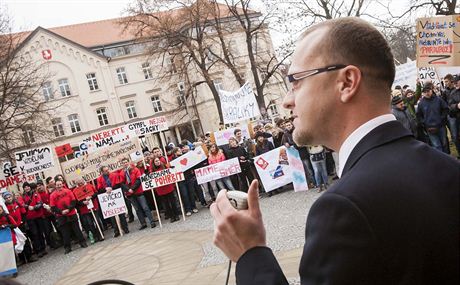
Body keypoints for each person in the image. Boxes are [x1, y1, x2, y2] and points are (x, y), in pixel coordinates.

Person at [210, 17, 459, 284]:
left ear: (347, 82)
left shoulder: (342, 208)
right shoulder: (450, 169)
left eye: (296, 81)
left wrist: (251, 255)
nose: (286, 101)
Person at [50, 180, 88, 254]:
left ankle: (82, 242)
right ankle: (67, 247)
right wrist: (61, 212)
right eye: (58, 185)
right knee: (65, 232)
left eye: (60, 184)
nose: (59, 186)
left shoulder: (68, 191)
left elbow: (73, 201)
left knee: (77, 229)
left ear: (62, 184)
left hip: (71, 213)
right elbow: (53, 206)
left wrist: (69, 209)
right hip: (61, 216)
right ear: (55, 185)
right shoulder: (52, 195)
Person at [119, 158, 156, 230]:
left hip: (138, 191)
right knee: (137, 209)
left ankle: (151, 221)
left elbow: (139, 180)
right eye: (123, 163)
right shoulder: (122, 173)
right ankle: (143, 223)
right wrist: (128, 190)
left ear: (128, 162)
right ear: (122, 164)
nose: (125, 163)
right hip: (130, 194)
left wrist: (132, 189)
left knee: (145, 207)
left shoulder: (135, 169)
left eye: (126, 162)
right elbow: (122, 183)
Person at [96, 166, 129, 237]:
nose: (107, 171)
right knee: (112, 215)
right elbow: (99, 189)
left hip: (116, 196)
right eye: (105, 170)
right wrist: (106, 190)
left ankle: (125, 228)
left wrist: (111, 188)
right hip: (108, 198)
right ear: (102, 172)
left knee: (121, 213)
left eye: (108, 170)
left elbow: (118, 184)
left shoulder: (114, 175)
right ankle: (116, 230)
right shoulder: (99, 179)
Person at [416, 82, 449, 153]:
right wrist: (424, 122)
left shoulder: (438, 99)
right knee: (436, 145)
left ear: (431, 90)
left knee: (444, 143)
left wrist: (441, 118)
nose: (427, 93)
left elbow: (445, 109)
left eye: (428, 91)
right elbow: (419, 115)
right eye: (425, 92)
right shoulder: (421, 103)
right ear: (423, 93)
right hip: (430, 128)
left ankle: (447, 159)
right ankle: (441, 160)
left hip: (441, 126)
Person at [150, 157, 180, 223]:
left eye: (158, 160)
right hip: (161, 190)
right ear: (154, 163)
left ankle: (176, 215)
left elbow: (172, 170)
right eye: (156, 161)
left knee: (173, 202)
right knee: (166, 204)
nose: (157, 162)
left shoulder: (165, 166)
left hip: (169, 187)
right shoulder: (152, 171)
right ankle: (171, 216)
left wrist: (172, 168)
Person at [22, 182, 47, 257]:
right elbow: (22, 204)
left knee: (40, 232)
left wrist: (34, 207)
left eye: (28, 186)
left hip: (38, 216)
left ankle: (43, 248)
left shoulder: (36, 194)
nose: (27, 188)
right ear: (23, 189)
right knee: (35, 234)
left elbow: (40, 203)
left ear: (30, 187)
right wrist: (27, 206)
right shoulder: (23, 196)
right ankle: (38, 250)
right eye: (25, 187)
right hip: (30, 218)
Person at [447, 74, 460, 156]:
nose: (455, 84)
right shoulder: (453, 93)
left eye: (457, 82)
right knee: (456, 137)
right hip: (458, 119)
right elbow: (450, 107)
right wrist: (457, 106)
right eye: (454, 82)